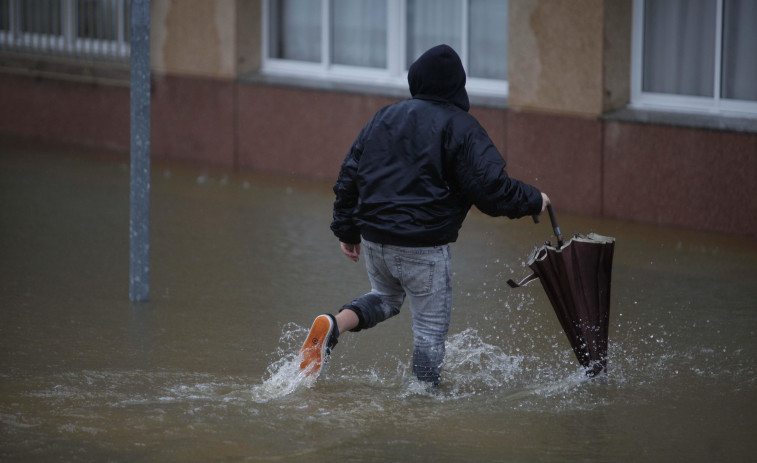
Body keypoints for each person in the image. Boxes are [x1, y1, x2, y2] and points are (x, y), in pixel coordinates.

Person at [300, 44, 550, 387]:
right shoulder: (462, 127)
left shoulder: (383, 117)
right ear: (457, 86)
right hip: (424, 250)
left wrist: (347, 230)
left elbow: (349, 176)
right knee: (429, 332)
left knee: (386, 297)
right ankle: (422, 399)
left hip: (375, 239)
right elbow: (491, 190)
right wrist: (535, 199)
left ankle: (334, 324)